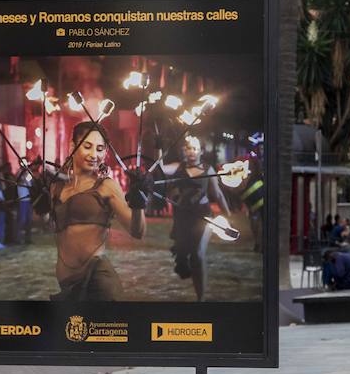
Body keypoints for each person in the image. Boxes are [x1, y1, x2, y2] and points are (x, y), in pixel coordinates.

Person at [49, 121, 146, 300]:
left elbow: (137, 231)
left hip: (99, 282)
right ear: (72, 146)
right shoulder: (56, 187)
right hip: (67, 284)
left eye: (100, 149)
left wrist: (139, 204)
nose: (94, 154)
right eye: (87, 146)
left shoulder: (106, 186)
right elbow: (46, 222)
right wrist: (38, 199)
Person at [158, 134, 230, 301]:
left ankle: (201, 299)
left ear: (201, 151)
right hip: (183, 219)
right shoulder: (178, 167)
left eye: (195, 148)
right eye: (189, 148)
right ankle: (199, 295)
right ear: (185, 150)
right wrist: (158, 147)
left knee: (198, 254)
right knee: (189, 256)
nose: (192, 151)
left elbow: (218, 194)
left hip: (203, 217)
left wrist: (228, 215)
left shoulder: (208, 169)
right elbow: (160, 168)